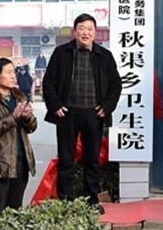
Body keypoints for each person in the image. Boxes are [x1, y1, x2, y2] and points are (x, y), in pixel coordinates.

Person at [43, 13, 121, 207]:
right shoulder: (61, 53)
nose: (86, 33)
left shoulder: (104, 56)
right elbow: (49, 81)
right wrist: (55, 105)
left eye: (90, 29)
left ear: (95, 33)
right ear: (74, 31)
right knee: (66, 160)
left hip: (94, 114)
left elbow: (116, 84)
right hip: (66, 114)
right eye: (82, 28)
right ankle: (66, 202)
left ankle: (91, 201)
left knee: (92, 160)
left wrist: (107, 107)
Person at [0, 58, 38, 222]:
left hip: (21, 160)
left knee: (15, 210)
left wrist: (27, 118)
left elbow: (32, 127)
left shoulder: (19, 96)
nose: (14, 76)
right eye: (9, 72)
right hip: (0, 162)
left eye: (14, 72)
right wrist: (13, 116)